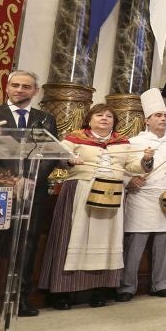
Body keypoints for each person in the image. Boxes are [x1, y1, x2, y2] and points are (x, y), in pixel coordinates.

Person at [39, 104, 141, 310]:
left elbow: (133, 165)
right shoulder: (74, 138)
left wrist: (146, 160)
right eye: (99, 115)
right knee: (73, 237)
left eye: (109, 116)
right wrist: (69, 160)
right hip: (81, 191)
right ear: (89, 119)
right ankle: (62, 292)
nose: (104, 118)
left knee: (107, 241)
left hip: (111, 193)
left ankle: (99, 290)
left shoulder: (122, 142)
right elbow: (58, 155)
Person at [0, 69, 58, 316]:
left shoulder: (46, 119)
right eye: (15, 85)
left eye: (26, 86)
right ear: (7, 87)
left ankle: (19, 300)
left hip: (32, 192)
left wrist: (31, 179)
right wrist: (12, 179)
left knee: (27, 244)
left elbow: (51, 154)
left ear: (35, 91)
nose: (19, 90)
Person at [121, 88, 166, 300]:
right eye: (158, 115)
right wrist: (129, 180)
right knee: (135, 245)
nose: (163, 119)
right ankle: (127, 287)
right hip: (142, 197)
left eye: (165, 115)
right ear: (147, 120)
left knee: (165, 244)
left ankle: (160, 285)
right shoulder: (133, 142)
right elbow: (120, 167)